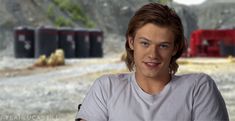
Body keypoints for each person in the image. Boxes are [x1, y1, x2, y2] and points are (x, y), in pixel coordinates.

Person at [75, 2, 229, 121]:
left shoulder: (199, 88)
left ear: (175, 48)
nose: (153, 54)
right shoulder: (106, 88)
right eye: (145, 43)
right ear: (131, 42)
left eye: (163, 45)